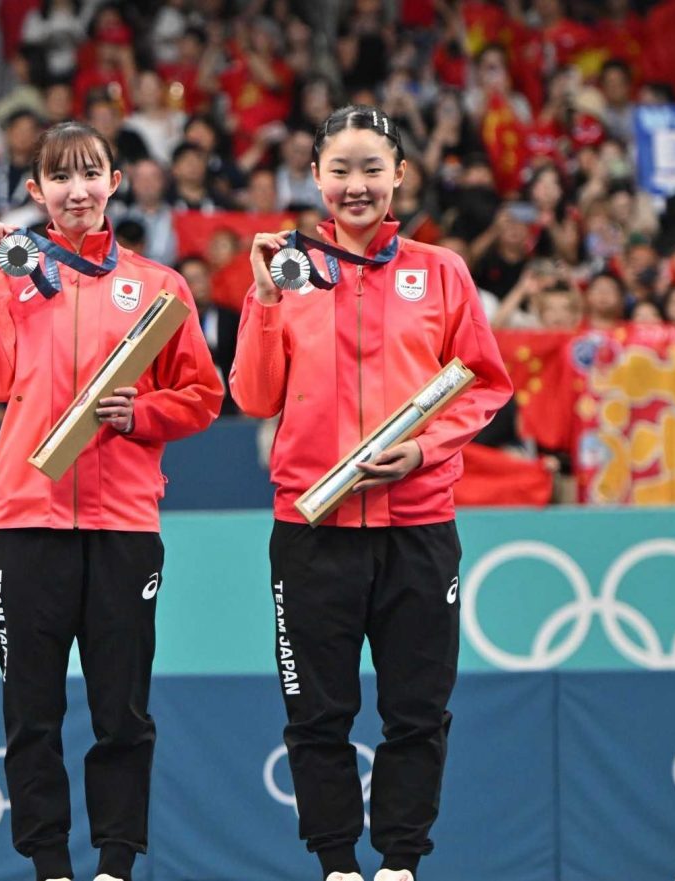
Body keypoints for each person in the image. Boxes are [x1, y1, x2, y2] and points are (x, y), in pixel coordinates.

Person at [230, 106, 512, 881]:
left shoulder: (442, 270)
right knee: (318, 714)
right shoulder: (285, 271)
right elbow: (254, 398)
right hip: (311, 525)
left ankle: (398, 863)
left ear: (400, 177)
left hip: (418, 525)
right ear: (314, 178)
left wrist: (424, 448)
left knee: (416, 711)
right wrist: (260, 302)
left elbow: (486, 384)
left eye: (371, 169)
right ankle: (336, 865)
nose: (356, 185)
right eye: (340, 170)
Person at [0, 121, 223, 881]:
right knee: (30, 713)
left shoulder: (160, 286)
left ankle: (114, 864)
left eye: (91, 173)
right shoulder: (12, 271)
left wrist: (141, 415)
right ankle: (48, 865)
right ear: (34, 188)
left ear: (115, 181)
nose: (78, 190)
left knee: (122, 710)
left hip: (122, 525)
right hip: (26, 520)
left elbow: (204, 395)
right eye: (60, 177)